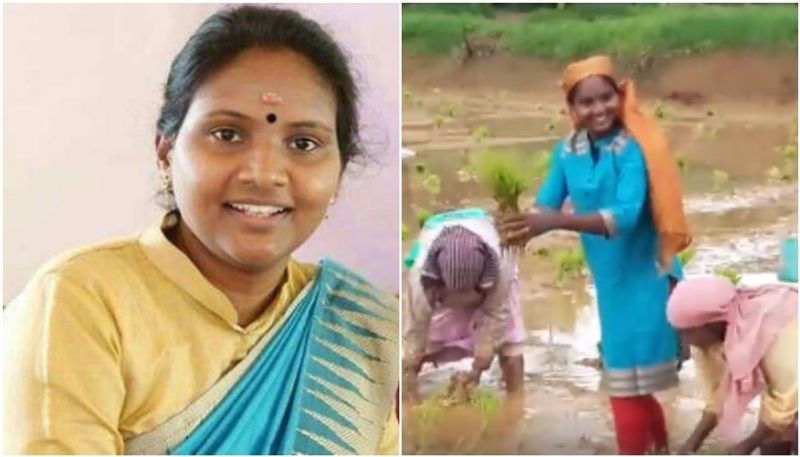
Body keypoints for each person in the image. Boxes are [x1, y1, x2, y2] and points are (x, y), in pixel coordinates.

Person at [4, 6, 397, 454]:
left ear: (339, 175)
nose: (264, 173)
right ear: (166, 153)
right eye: (227, 134)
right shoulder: (83, 303)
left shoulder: (358, 328)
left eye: (303, 143)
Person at [498, 55, 692, 454]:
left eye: (606, 97)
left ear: (619, 97)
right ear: (572, 109)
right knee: (632, 387)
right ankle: (662, 450)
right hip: (612, 284)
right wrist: (515, 223)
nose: (598, 108)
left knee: (625, 386)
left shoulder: (634, 148)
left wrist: (555, 222)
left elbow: (623, 217)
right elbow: (547, 203)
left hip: (650, 277)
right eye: (586, 102)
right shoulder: (567, 152)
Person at [402, 208, 525, 403]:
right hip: (439, 272)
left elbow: (496, 315)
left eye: (469, 293)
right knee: (416, 349)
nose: (464, 302)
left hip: (490, 274)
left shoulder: (501, 264)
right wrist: (409, 371)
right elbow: (415, 329)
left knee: (510, 344)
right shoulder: (421, 276)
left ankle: (517, 401)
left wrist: (477, 370)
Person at [667, 277, 798, 455]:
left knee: (781, 425)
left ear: (712, 324)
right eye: (679, 332)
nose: (684, 340)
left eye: (687, 332)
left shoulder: (774, 328)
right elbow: (716, 396)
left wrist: (749, 444)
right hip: (789, 383)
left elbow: (787, 399)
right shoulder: (708, 341)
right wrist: (691, 444)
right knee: (774, 436)